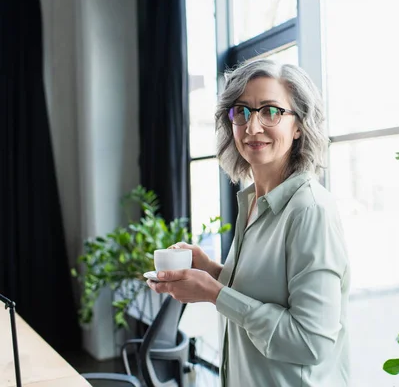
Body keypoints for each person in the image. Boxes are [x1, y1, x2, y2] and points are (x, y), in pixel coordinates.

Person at [147, 58, 350, 387]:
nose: (252, 127)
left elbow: (311, 342)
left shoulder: (310, 211)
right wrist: (211, 270)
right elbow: (262, 294)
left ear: (298, 125)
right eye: (241, 111)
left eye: (271, 111)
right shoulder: (252, 202)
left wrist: (215, 293)